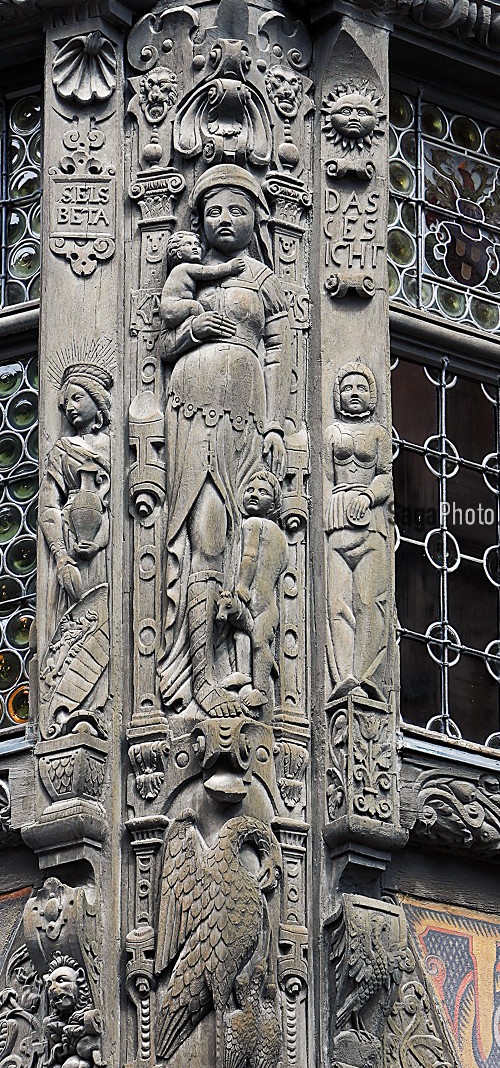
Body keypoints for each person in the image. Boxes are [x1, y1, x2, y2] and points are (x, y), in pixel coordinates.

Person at [158, 165, 289, 718]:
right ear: (201, 220)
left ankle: (239, 667)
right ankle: (201, 675)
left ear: (256, 217)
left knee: (244, 542)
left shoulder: (264, 282)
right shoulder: (188, 275)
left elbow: (283, 354)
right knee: (204, 537)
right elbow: (161, 343)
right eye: (214, 210)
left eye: (237, 209)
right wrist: (193, 331)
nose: (225, 219)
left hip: (246, 420)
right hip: (191, 413)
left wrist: (280, 424)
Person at [39, 363, 112, 735]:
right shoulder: (61, 451)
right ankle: (67, 710)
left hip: (106, 550)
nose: (69, 407)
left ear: (98, 404)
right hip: (71, 548)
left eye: (77, 398)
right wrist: (61, 555)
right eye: (64, 401)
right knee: (74, 623)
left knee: (106, 620)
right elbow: (49, 505)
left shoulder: (115, 446)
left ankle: (98, 706)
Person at [324, 363, 392, 699]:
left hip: (371, 521)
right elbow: (324, 475)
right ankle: (343, 676)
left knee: (369, 601)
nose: (354, 393)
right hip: (336, 518)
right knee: (337, 603)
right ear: (337, 395)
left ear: (372, 397)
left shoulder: (379, 432)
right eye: (348, 387)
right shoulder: (331, 432)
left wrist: (368, 496)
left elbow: (385, 477)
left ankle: (367, 676)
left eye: (362, 388)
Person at [218, 469, 288, 715]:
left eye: (263, 492)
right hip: (268, 605)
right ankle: (244, 673)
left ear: (275, 503)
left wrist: (243, 585)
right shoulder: (281, 536)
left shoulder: (252, 524)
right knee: (243, 636)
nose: (254, 495)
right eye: (250, 490)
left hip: (258, 602)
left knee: (259, 642)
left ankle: (260, 690)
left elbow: (249, 556)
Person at [159, 230, 246, 328]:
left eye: (197, 244)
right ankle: (207, 325)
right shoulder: (185, 267)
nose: (194, 247)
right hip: (172, 307)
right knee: (195, 306)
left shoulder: (180, 270)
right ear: (179, 254)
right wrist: (229, 267)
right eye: (188, 244)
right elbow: (210, 272)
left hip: (172, 309)